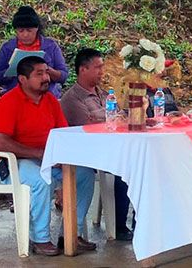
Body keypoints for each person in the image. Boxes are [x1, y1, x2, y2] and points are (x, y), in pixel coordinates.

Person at [0, 56, 96, 256]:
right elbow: (1, 142)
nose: (46, 77)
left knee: (84, 175)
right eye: (39, 74)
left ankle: (70, 234)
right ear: (22, 79)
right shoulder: (8, 102)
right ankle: (40, 239)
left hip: (47, 159)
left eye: (47, 72)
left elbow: (63, 133)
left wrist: (60, 156)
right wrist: (39, 154)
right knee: (42, 181)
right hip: (14, 164)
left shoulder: (50, 100)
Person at [60, 49, 135, 241]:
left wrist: (111, 118)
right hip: (87, 153)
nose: (102, 71)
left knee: (139, 163)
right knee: (123, 171)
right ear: (83, 69)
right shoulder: (72, 99)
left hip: (111, 147)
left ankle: (138, 221)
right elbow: (89, 126)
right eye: (98, 67)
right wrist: (110, 119)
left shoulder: (103, 94)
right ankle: (118, 226)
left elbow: (120, 116)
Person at [0, 5, 68, 99]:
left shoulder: (50, 46)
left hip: (46, 97)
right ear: (15, 30)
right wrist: (12, 71)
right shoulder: (8, 48)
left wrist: (48, 71)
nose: (25, 35)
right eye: (21, 31)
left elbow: (63, 76)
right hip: (16, 98)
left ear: (37, 28)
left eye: (29, 30)